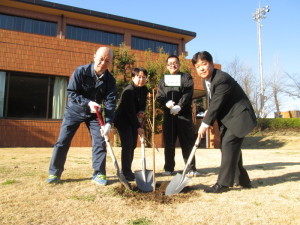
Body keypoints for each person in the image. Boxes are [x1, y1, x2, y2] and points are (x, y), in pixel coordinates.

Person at [46, 47, 116, 186]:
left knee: (99, 142)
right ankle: (54, 172)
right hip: (74, 111)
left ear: (110, 63)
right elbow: (71, 92)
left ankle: (99, 173)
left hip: (94, 115)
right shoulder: (81, 71)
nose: (103, 63)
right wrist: (88, 102)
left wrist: (108, 123)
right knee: (63, 141)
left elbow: (110, 102)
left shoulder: (110, 80)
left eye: (107, 61)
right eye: (101, 59)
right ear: (94, 56)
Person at [192, 51, 257, 193]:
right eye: (198, 66)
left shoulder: (222, 78)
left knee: (228, 144)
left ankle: (223, 184)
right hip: (229, 119)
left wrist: (204, 123)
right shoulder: (206, 80)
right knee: (230, 148)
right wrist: (207, 117)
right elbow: (212, 103)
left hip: (240, 117)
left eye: (204, 64)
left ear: (211, 64)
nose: (201, 68)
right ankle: (243, 180)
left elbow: (216, 103)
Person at [157, 55, 199, 176]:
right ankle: (169, 168)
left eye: (175, 63)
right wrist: (166, 103)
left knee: (187, 142)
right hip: (169, 115)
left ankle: (191, 168)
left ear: (179, 64)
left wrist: (179, 105)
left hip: (184, 115)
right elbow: (160, 96)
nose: (172, 65)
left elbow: (187, 93)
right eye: (170, 64)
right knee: (169, 142)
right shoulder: (163, 80)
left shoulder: (186, 77)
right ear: (166, 66)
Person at [113, 68, 148, 181]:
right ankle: (126, 172)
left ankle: (128, 169)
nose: (141, 79)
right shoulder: (129, 91)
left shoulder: (144, 89)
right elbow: (130, 111)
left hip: (132, 118)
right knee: (128, 144)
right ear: (133, 78)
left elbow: (142, 104)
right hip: (123, 120)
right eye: (139, 76)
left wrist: (142, 111)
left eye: (143, 77)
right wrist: (138, 127)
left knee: (132, 145)